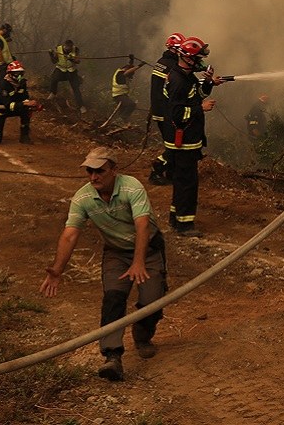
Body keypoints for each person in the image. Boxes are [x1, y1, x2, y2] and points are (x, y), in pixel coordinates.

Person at [40, 147, 168, 382]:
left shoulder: (132, 187)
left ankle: (142, 335)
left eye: (99, 171)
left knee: (152, 301)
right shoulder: (83, 198)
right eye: (89, 171)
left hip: (147, 250)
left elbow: (143, 226)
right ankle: (112, 356)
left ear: (113, 170)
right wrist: (57, 270)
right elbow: (70, 235)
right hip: (116, 253)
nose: (93, 177)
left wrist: (139, 262)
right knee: (113, 298)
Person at [162, 36, 225, 237]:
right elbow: (178, 114)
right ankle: (184, 225)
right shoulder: (179, 81)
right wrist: (200, 109)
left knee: (181, 182)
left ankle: (176, 219)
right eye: (198, 58)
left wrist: (208, 83)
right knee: (187, 183)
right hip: (183, 142)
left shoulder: (184, 76)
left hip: (189, 140)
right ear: (188, 59)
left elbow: (197, 94)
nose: (201, 62)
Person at [148, 33, 183, 186]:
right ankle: (156, 170)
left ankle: (171, 172)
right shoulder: (172, 65)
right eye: (178, 50)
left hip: (159, 109)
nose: (181, 53)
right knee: (175, 144)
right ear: (172, 49)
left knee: (173, 143)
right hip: (166, 111)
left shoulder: (162, 62)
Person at [0, 60, 37, 145]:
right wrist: (24, 104)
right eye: (16, 73)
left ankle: (24, 136)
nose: (19, 76)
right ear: (10, 73)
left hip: (11, 107)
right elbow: (8, 105)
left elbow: (24, 98)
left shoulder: (22, 83)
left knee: (27, 110)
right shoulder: (3, 85)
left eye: (21, 73)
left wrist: (30, 104)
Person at [49, 39, 85, 113]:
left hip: (71, 71)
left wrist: (71, 59)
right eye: (67, 48)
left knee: (76, 89)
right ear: (64, 46)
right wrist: (51, 54)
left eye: (70, 48)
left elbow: (78, 61)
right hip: (60, 69)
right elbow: (54, 61)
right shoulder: (58, 49)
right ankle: (53, 93)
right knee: (54, 79)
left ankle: (81, 106)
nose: (68, 49)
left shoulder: (76, 49)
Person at [108, 56, 142, 125]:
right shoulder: (120, 73)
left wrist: (131, 60)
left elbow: (129, 68)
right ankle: (122, 119)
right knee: (131, 105)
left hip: (122, 95)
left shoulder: (121, 71)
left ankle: (117, 124)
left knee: (122, 110)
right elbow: (128, 71)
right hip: (118, 96)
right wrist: (139, 66)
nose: (131, 76)